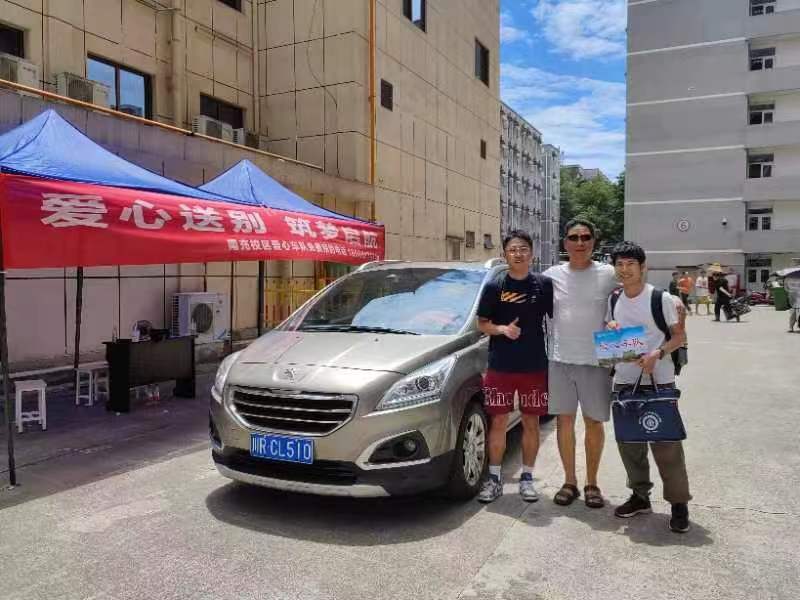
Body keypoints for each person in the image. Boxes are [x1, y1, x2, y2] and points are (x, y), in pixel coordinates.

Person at [606, 241, 692, 533]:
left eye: (631, 264)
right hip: (624, 380)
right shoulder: (614, 298)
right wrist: (611, 329)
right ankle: (640, 496)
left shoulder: (660, 298)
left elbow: (678, 336)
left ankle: (679, 503)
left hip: (659, 380)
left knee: (666, 445)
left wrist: (658, 353)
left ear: (643, 267)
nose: (625, 269)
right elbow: (612, 333)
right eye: (620, 264)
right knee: (630, 444)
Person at [543, 218, 618, 508]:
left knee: (593, 422)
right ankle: (570, 481)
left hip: (597, 359)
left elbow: (635, 289)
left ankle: (592, 483)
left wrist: (670, 301)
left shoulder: (609, 273)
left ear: (593, 242)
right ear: (565, 243)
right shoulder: (551, 276)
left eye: (586, 237)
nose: (580, 242)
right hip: (559, 359)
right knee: (564, 421)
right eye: (574, 237)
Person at [476, 230, 553, 503]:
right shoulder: (494, 286)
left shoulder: (543, 285)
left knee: (531, 422)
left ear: (531, 253)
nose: (518, 254)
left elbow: (560, 316)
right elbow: (482, 323)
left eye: (523, 249)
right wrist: (502, 330)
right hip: (501, 367)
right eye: (512, 249)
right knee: (498, 421)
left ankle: (527, 478)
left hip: (534, 366)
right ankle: (494, 479)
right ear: (505, 254)